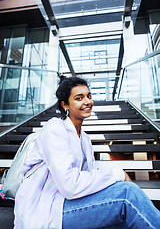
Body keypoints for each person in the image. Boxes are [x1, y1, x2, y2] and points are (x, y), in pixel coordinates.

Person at [14, 76, 160, 229]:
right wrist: (117, 174)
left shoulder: (84, 138)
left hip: (65, 202)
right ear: (65, 105)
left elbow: (87, 179)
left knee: (122, 214)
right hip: (44, 210)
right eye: (79, 98)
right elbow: (70, 185)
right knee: (126, 195)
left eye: (89, 96)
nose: (87, 102)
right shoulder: (54, 129)